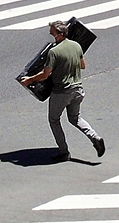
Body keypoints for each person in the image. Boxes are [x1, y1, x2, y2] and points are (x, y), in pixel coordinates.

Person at [19, 20, 105, 160]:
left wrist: (29, 80)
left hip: (62, 92)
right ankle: (95, 137)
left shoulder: (53, 52)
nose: (49, 32)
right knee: (75, 118)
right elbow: (83, 65)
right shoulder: (76, 45)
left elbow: (45, 75)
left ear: (59, 34)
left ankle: (64, 152)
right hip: (78, 90)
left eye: (52, 30)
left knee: (54, 120)